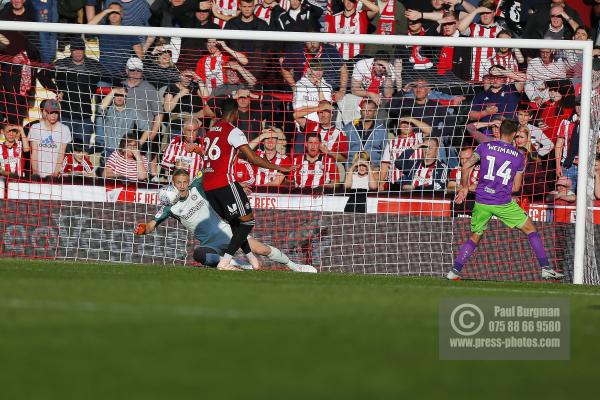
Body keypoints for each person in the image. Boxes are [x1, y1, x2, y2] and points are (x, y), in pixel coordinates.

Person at [133, 169, 316, 272]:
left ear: (187, 181)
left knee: (263, 249)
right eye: (178, 182)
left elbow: (215, 171)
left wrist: (238, 186)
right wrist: (143, 229)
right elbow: (151, 224)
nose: (181, 185)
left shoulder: (197, 187)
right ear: (173, 183)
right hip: (208, 242)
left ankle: (296, 266)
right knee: (198, 254)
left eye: (184, 181)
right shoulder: (169, 206)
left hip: (226, 231)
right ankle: (236, 264)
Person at [449, 119, 564, 280]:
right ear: (515, 134)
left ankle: (454, 272)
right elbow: (516, 187)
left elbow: (466, 165)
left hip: (482, 200)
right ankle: (545, 268)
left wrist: (465, 187)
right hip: (502, 202)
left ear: (500, 131)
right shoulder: (518, 156)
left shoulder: (484, 146)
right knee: (530, 229)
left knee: (475, 235)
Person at [202, 98, 293, 271]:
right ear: (235, 113)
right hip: (225, 182)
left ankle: (253, 261)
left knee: (236, 224)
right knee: (247, 222)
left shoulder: (210, 132)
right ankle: (225, 261)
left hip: (209, 186)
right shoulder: (233, 131)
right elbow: (253, 158)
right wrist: (281, 167)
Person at [53, 37, 106, 149]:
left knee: (82, 155)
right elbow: (42, 74)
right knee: (63, 153)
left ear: (84, 50)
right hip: (65, 117)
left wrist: (98, 90)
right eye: (74, 49)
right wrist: (56, 89)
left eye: (80, 49)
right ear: (70, 51)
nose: (77, 52)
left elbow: (108, 79)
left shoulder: (94, 65)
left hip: (85, 118)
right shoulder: (62, 64)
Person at [28, 99, 72, 179]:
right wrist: (35, 172)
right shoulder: (35, 128)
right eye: (51, 113)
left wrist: (55, 173)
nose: (54, 116)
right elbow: (34, 152)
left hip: (56, 174)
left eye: (56, 113)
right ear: (45, 112)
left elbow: (61, 154)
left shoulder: (64, 129)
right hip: (39, 173)